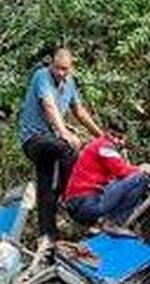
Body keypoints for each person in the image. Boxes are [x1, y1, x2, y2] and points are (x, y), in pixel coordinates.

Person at [17, 49, 103, 245]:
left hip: (51, 141)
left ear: (71, 68)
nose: (61, 73)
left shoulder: (70, 82)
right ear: (51, 64)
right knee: (68, 148)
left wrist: (101, 135)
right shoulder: (42, 76)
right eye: (57, 68)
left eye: (65, 69)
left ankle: (48, 237)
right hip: (34, 140)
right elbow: (49, 106)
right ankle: (71, 195)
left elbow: (79, 111)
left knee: (46, 188)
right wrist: (65, 133)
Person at [62, 116, 150, 232]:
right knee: (141, 179)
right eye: (113, 136)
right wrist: (142, 170)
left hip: (79, 203)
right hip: (85, 203)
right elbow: (122, 171)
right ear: (106, 131)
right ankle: (114, 223)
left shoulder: (99, 146)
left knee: (129, 181)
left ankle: (103, 223)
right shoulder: (104, 146)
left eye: (120, 138)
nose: (116, 140)